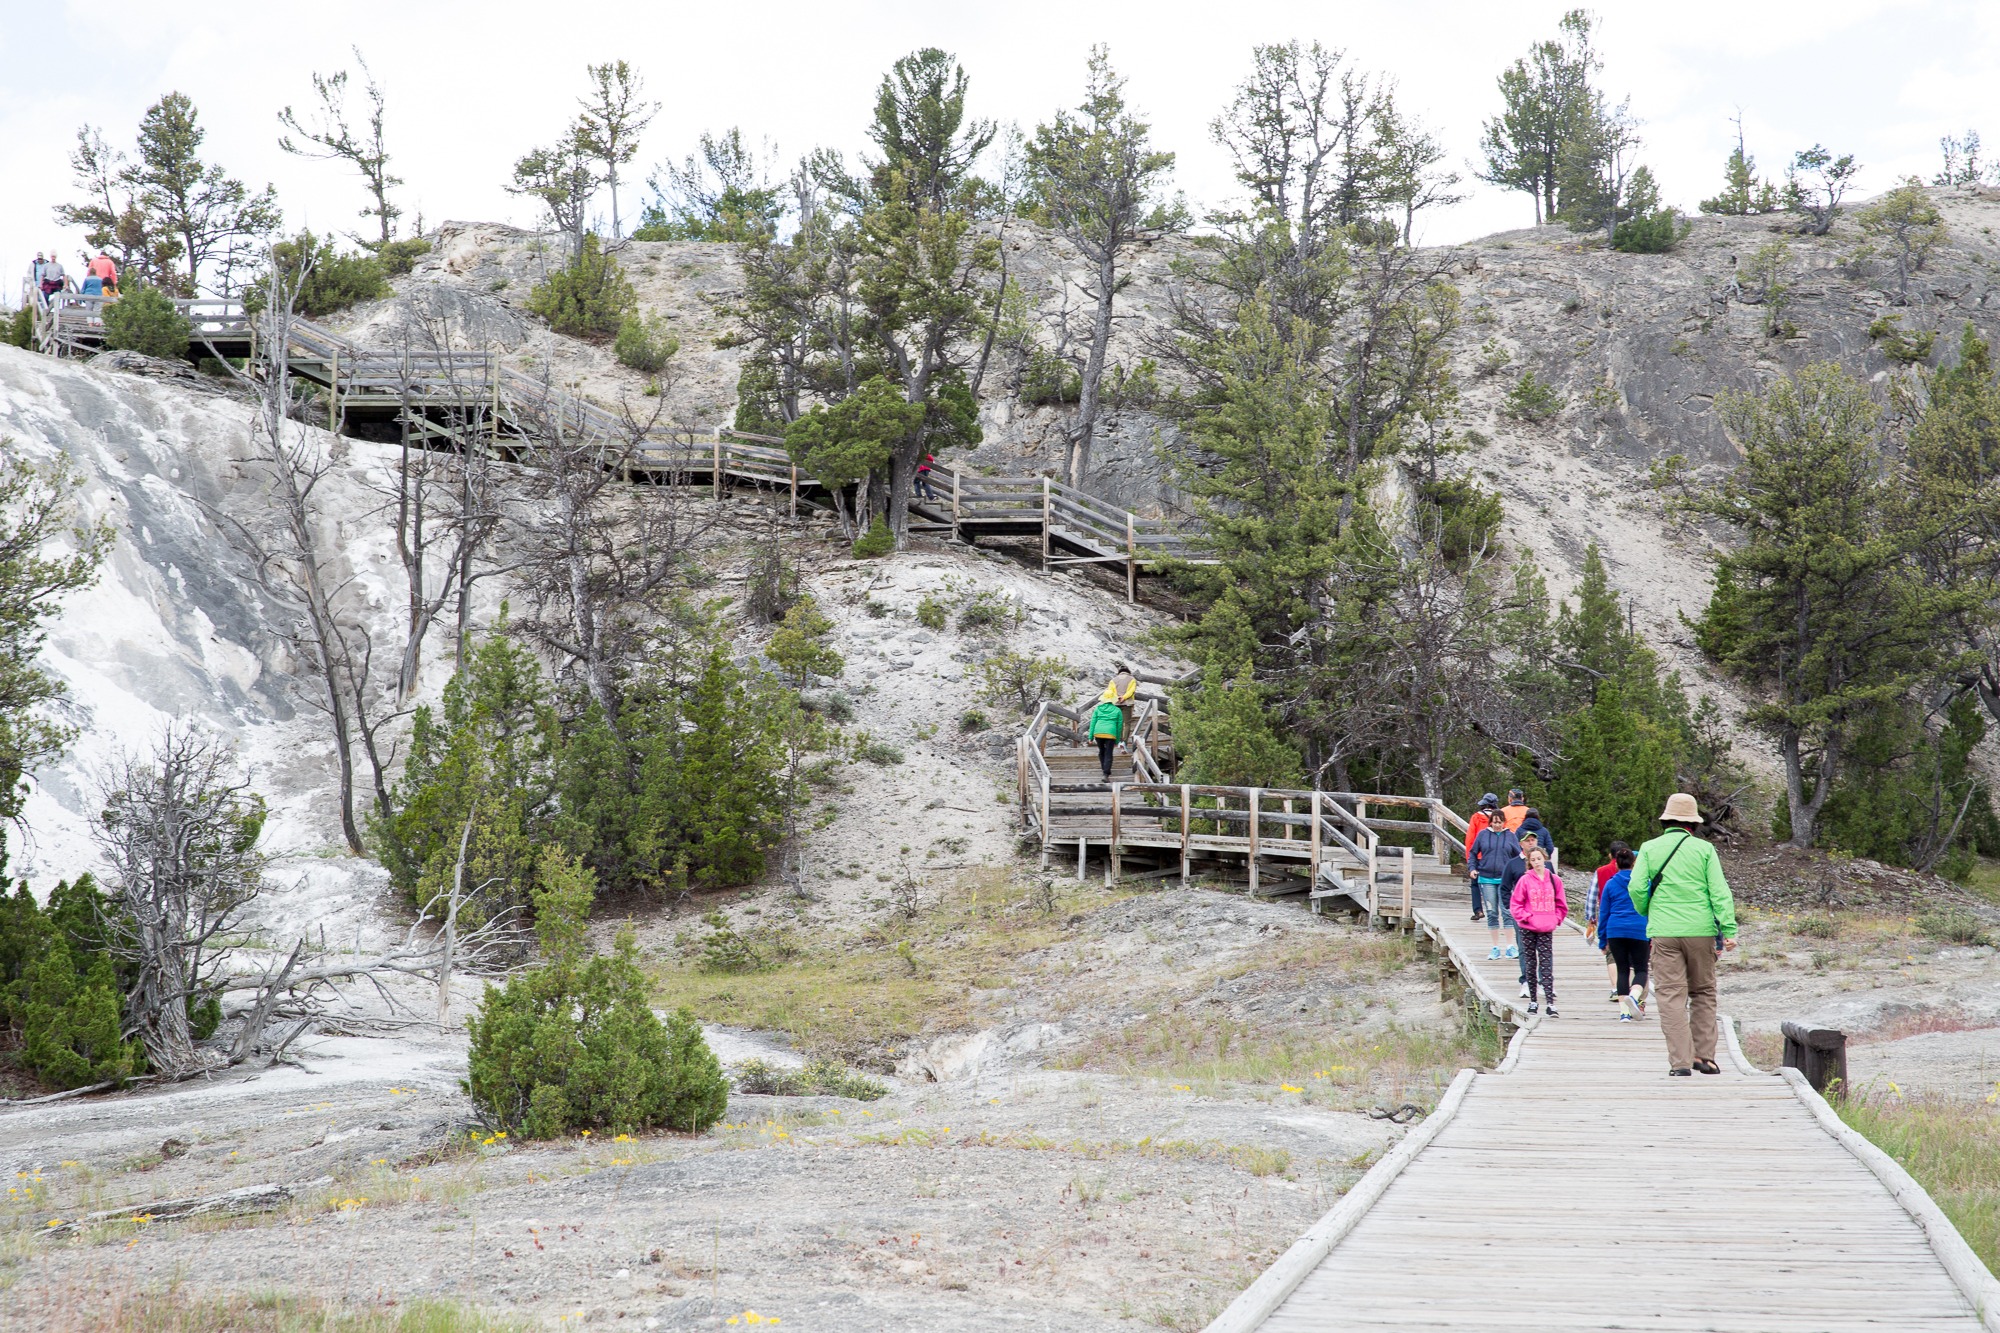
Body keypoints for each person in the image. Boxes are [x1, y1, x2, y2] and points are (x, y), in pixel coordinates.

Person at [1627, 793, 1738, 1077]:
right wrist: (1728, 928)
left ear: (1666, 820)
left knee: (1671, 996)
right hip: (1701, 931)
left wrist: (1647, 911)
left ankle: (1680, 1062)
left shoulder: (1649, 848)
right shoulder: (1704, 850)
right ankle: (1706, 1058)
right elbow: (1719, 892)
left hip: (1664, 932)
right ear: (1693, 823)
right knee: (1702, 992)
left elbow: (1637, 888)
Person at [1510, 844, 1567, 1016]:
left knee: (1546, 963)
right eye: (1533, 860)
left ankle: (1550, 1002)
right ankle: (1533, 1000)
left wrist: (1556, 918)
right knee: (1530, 963)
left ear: (1545, 859)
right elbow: (1515, 903)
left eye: (1539, 859)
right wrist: (1526, 917)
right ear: (1529, 862)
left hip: (1546, 927)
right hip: (1528, 927)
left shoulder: (1554, 880)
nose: (1536, 862)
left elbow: (1561, 903)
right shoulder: (1524, 880)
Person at [1596, 847, 1649, 1022]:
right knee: (1641, 969)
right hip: (1638, 929)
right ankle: (1634, 995)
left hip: (1615, 930)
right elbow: (1650, 906)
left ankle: (1624, 1013)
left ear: (1616, 864)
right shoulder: (1642, 883)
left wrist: (1602, 940)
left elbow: (1604, 913)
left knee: (1622, 970)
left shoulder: (1611, 884)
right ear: (1634, 863)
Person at [1498, 829, 1547, 994]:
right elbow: (1504, 887)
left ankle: (1542, 982)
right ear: (1521, 843)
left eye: (1533, 840)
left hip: (1543, 913)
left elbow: (1554, 886)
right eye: (1527, 840)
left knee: (1543, 948)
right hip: (1522, 913)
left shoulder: (1545, 865)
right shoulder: (1513, 864)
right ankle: (1526, 980)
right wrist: (1510, 908)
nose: (1531, 842)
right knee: (1525, 948)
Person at [1469, 816, 1521, 961]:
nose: (1497, 825)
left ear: (1504, 822)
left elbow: (1518, 856)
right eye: (1495, 822)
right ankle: (1495, 947)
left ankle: (1510, 946)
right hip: (1486, 878)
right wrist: (1472, 868)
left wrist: (1518, 873)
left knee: (1507, 911)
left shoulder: (1510, 836)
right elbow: (1473, 853)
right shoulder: (1483, 835)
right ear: (1491, 822)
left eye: (1500, 822)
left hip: (1505, 879)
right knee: (1492, 912)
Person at [1591, 840, 1631, 1001]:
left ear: (1610, 855)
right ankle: (1634, 992)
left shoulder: (1602, 872)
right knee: (1633, 960)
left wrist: (1592, 918)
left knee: (1612, 956)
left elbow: (1592, 895)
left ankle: (1616, 989)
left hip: (1612, 922)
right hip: (1635, 923)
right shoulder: (1637, 875)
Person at [1464, 793, 1500, 921]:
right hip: (1492, 857)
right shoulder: (1499, 819)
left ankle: (1478, 910)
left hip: (1478, 855)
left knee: (1475, 884)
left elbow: (1470, 839)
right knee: (1494, 883)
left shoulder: (1476, 817)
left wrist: (1469, 858)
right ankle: (1494, 909)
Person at [1086, 693, 1125, 780]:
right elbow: (1119, 726)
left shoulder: (1097, 709)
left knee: (1101, 750)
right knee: (1108, 752)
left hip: (1098, 732)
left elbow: (1092, 723)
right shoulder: (1117, 710)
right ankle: (1106, 773)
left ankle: (1104, 768)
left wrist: (1090, 737)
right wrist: (1117, 740)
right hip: (1110, 733)